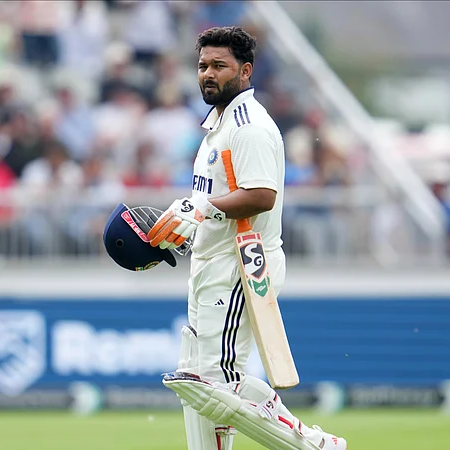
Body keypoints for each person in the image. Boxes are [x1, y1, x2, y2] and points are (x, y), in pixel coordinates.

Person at [145, 27, 347, 450]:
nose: (207, 74)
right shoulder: (216, 126)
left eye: (219, 65)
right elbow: (214, 201)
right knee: (205, 377)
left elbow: (260, 195)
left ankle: (313, 446)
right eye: (202, 66)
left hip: (241, 263)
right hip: (212, 262)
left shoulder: (248, 125)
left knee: (212, 386)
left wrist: (201, 209)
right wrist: (185, 228)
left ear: (246, 70)